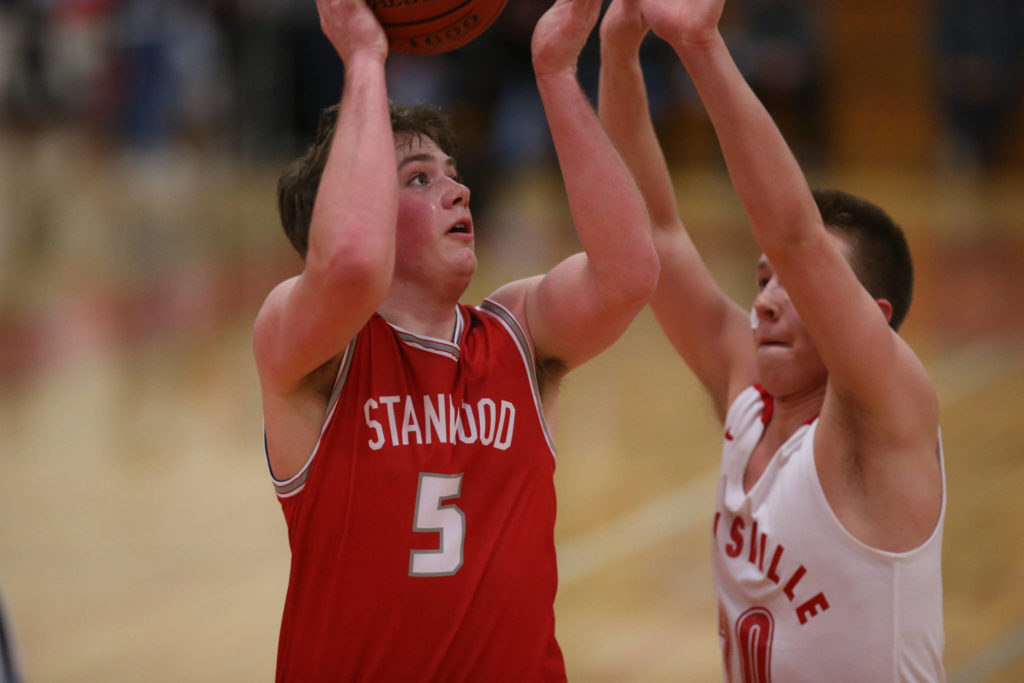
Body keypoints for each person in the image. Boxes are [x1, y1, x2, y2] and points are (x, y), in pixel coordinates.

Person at [252, 0, 658, 679]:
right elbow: (351, 261)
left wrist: (556, 70)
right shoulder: (309, 349)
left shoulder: (516, 333)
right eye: (418, 178)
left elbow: (629, 272)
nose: (459, 191)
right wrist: (362, 57)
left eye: (451, 172)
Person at [597, 0, 945, 680]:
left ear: (869, 318)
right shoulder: (747, 388)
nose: (766, 299)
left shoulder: (885, 418)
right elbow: (653, 230)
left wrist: (700, 45)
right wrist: (616, 53)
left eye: (799, 286)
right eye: (762, 279)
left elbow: (795, 237)